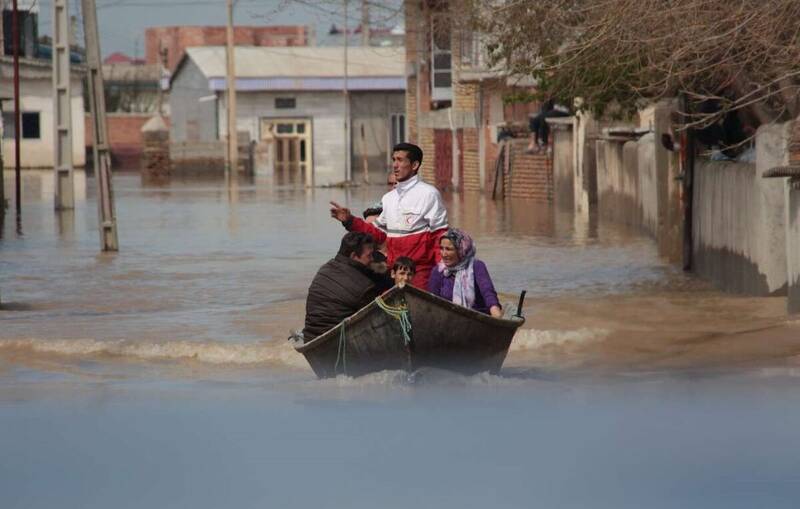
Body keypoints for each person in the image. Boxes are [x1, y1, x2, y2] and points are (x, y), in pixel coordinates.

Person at [330, 143, 448, 288]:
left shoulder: (429, 194)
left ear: (415, 165)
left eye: (400, 160)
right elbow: (376, 236)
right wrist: (350, 221)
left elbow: (440, 237)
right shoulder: (388, 198)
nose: (395, 165)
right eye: (393, 160)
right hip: (393, 272)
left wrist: (444, 273)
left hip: (419, 273)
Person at [302, 232, 381, 341]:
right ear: (353, 256)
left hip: (310, 336)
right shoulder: (365, 286)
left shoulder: (325, 268)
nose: (372, 259)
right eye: (369, 255)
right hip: (339, 341)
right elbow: (376, 319)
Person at [428, 228, 502, 318]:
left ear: (461, 250)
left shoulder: (477, 266)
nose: (443, 254)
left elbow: (488, 293)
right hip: (448, 320)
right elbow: (432, 302)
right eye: (441, 248)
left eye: (448, 249)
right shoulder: (438, 271)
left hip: (478, 319)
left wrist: (496, 314)